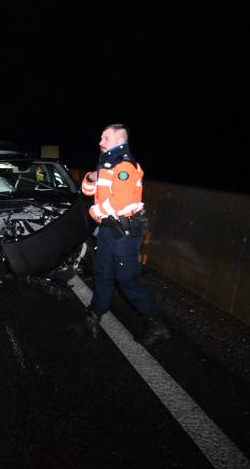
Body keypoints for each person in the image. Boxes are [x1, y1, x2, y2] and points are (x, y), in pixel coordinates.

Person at [79, 124, 170, 346]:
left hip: (124, 233)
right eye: (101, 137)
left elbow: (117, 203)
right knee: (102, 273)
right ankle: (93, 315)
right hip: (109, 231)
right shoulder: (106, 164)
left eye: (105, 138)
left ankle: (158, 326)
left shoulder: (124, 166)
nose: (100, 142)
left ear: (119, 141)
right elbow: (88, 191)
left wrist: (94, 213)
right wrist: (90, 178)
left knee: (127, 280)